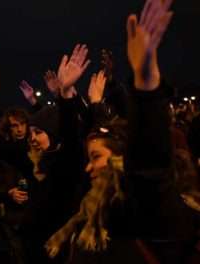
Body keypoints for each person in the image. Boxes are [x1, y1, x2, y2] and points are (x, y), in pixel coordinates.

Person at [46, 1, 198, 262]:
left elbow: (150, 169)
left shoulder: (144, 208)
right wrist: (67, 95)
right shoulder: (94, 203)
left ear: (123, 158)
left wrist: (147, 86)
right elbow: (72, 147)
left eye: (96, 157)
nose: (88, 166)